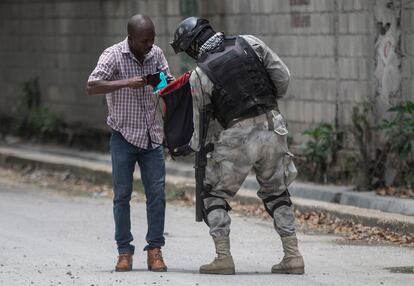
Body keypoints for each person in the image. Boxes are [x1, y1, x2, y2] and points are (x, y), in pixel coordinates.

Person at [170, 17, 305, 275]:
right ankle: (293, 256)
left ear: (194, 45)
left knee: (213, 194)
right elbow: (283, 77)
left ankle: (223, 258)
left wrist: (194, 148)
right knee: (277, 192)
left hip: (237, 136)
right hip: (273, 125)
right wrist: (266, 103)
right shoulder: (250, 43)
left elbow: (201, 122)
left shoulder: (199, 75)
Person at [86, 14, 174, 272]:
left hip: (152, 137)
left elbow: (165, 83)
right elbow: (92, 86)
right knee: (122, 195)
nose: (150, 44)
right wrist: (126, 83)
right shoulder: (113, 55)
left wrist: (166, 87)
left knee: (156, 195)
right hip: (123, 135)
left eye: (153, 39)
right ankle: (124, 251)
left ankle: (155, 250)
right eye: (145, 40)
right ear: (131, 38)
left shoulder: (156, 54)